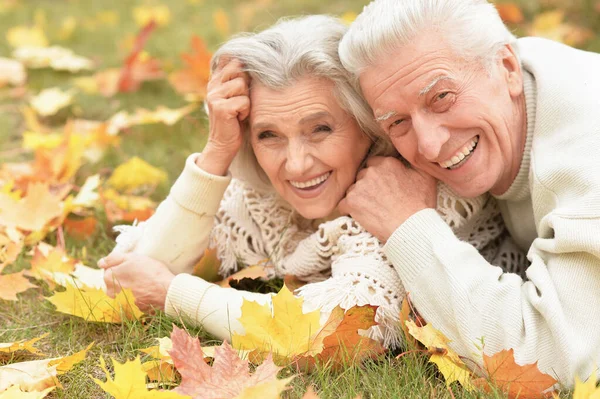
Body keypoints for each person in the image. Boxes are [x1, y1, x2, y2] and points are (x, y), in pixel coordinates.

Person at [98, 15, 522, 350]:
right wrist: (215, 154)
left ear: (367, 127)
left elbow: (340, 330)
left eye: (320, 129)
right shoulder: (262, 195)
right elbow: (131, 270)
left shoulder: (406, 193)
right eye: (269, 135)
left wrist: (173, 294)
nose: (297, 165)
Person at [338, 0, 600, 385]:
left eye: (441, 97)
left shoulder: (585, 157)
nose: (429, 145)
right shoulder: (521, 75)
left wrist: (408, 226)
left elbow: (549, 359)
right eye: (397, 122)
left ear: (507, 68)